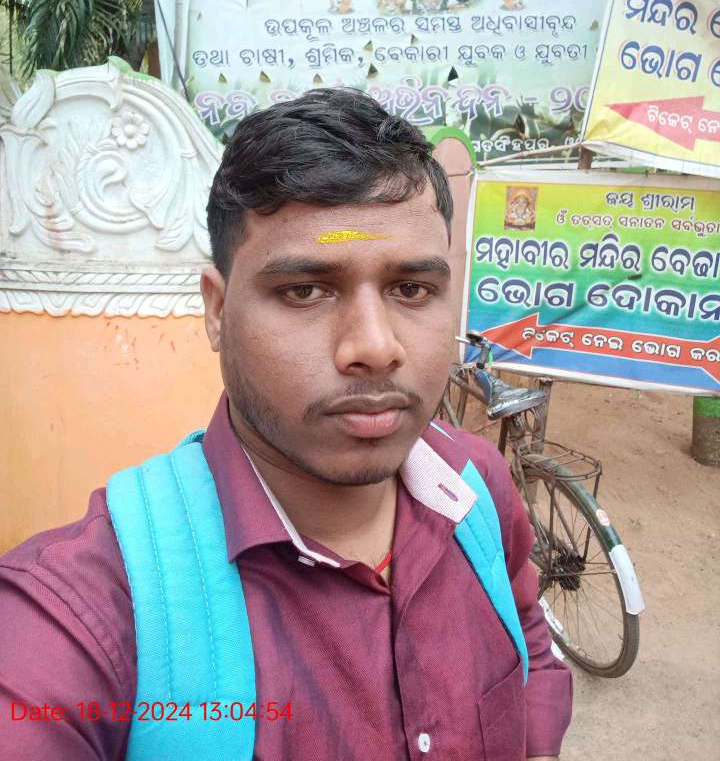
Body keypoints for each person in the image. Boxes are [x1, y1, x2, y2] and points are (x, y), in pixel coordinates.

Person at [0, 88, 572, 760]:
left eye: (412, 289)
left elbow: (529, 644)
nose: (375, 347)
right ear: (217, 312)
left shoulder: (478, 487)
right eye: (305, 290)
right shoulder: (85, 612)